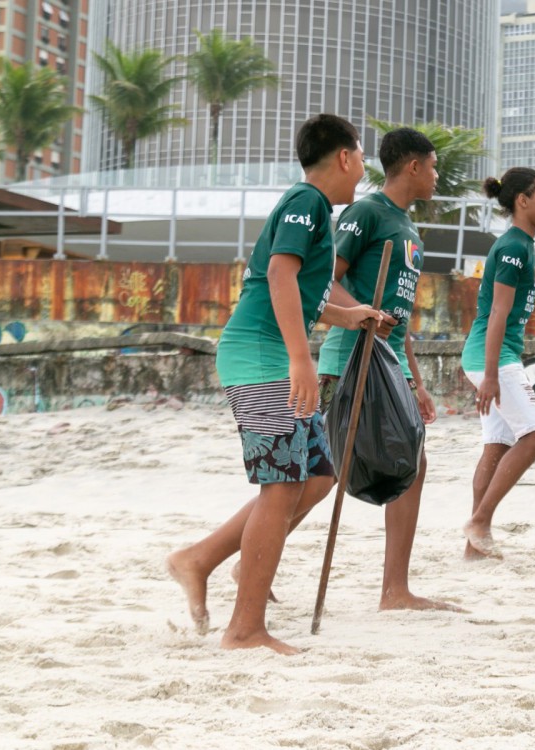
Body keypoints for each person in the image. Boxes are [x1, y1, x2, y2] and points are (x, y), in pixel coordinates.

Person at [167, 114, 390, 654]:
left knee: (318, 474)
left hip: (270, 353)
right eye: (360, 156)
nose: (362, 168)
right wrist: (300, 360)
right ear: (343, 157)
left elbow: (302, 294)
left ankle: (199, 559)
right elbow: (278, 276)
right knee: (283, 482)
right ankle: (244, 630)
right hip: (263, 358)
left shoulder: (313, 209)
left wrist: (353, 313)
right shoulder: (307, 202)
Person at [313, 127, 461, 612]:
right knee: (320, 474)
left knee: (410, 461)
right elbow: (322, 283)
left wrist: (416, 382)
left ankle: (395, 589)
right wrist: (362, 313)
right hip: (349, 362)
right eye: (434, 166)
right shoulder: (368, 212)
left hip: (390, 366)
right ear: (414, 166)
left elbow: (401, 320)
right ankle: (243, 553)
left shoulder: (409, 228)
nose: (437, 176)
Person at [460, 168, 535, 558]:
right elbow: (498, 313)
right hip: (492, 357)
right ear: (522, 201)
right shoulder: (515, 247)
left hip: (489, 356)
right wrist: (493, 375)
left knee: (497, 445)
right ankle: (480, 521)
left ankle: (474, 548)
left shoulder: (521, 245)